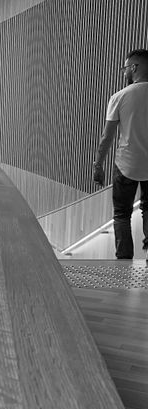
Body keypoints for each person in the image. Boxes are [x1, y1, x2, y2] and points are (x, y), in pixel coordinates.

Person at [94, 49, 148, 259]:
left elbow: (106, 137)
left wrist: (98, 165)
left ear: (134, 67)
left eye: (125, 68)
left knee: (122, 215)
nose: (124, 72)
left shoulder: (120, 97)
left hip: (127, 164)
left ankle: (124, 263)